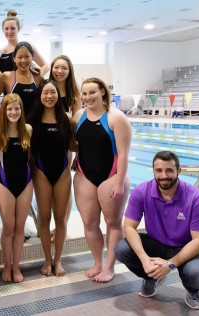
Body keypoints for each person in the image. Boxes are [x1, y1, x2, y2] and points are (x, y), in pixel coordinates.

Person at [114, 151, 199, 310]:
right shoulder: (141, 191)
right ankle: (151, 277)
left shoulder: (196, 198)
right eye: (159, 170)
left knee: (198, 275)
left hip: (186, 248)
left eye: (169, 170)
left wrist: (171, 264)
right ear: (153, 171)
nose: (164, 175)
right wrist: (145, 259)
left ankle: (193, 290)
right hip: (157, 245)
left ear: (178, 171)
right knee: (121, 249)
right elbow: (129, 227)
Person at [72, 77, 131, 283]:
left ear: (102, 92)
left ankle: (109, 267)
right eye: (85, 93)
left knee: (112, 222)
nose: (88, 97)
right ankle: (97, 262)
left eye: (92, 92)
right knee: (89, 222)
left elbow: (123, 153)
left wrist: (119, 181)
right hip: (84, 176)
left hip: (111, 176)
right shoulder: (78, 116)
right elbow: (78, 144)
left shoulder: (116, 117)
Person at [0, 93, 33, 282]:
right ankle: (6, 265)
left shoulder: (28, 129)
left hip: (26, 183)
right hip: (5, 183)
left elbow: (29, 157)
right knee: (8, 228)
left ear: (21, 110)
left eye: (16, 108)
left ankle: (16, 266)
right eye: (9, 108)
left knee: (19, 228)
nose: (13, 112)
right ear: (4, 111)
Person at [30, 80, 74, 277]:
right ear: (40, 96)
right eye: (45, 93)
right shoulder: (32, 120)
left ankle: (58, 260)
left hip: (63, 173)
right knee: (44, 218)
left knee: (61, 219)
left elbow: (75, 145)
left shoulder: (67, 118)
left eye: (53, 93)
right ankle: (47, 260)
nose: (49, 96)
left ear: (58, 95)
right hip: (41, 173)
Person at [48, 55, 81, 243]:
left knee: (63, 187)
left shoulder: (73, 93)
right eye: (57, 67)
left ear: (69, 71)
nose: (59, 71)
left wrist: (76, 152)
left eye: (64, 68)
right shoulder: (45, 88)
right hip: (46, 143)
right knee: (48, 188)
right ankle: (55, 223)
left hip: (64, 143)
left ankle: (62, 224)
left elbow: (75, 123)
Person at [0, 41, 44, 126]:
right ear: (14, 58)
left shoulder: (38, 78)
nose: (23, 61)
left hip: (34, 125)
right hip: (12, 126)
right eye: (19, 57)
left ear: (32, 57)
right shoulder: (6, 77)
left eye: (27, 56)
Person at [0, 9, 49, 76]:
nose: (9, 31)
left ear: (18, 29)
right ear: (3, 30)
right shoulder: (2, 50)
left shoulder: (27, 46)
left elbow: (46, 66)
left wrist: (35, 80)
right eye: (6, 29)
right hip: (6, 86)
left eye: (12, 28)